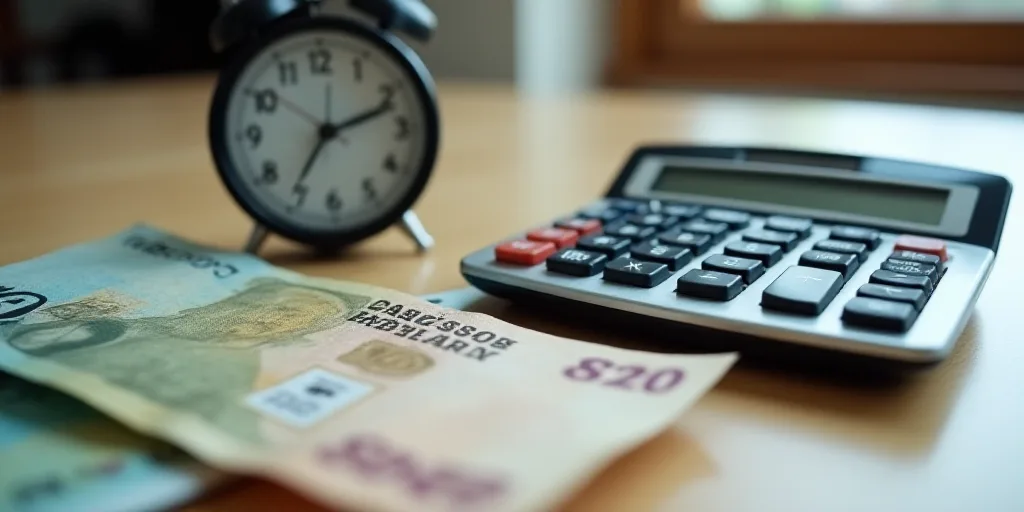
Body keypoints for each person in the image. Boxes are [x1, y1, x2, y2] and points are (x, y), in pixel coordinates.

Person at [5, 278, 370, 444]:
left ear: (296, 333)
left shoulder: (228, 377)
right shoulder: (112, 323)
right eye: (272, 304)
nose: (268, 316)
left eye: (292, 315)